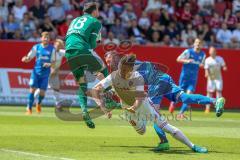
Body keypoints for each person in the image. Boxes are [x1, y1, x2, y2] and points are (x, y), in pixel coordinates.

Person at [91, 54, 208, 153]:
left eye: (127, 69)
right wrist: (103, 108)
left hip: (144, 105)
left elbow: (140, 98)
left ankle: (193, 146)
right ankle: (140, 121)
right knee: (141, 131)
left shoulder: (137, 77)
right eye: (123, 69)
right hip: (127, 108)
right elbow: (95, 90)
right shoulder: (112, 77)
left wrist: (134, 107)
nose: (124, 72)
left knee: (167, 127)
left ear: (131, 69)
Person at [65, 2, 119, 129]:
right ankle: (110, 99)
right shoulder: (95, 22)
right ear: (94, 11)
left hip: (69, 52)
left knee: (82, 83)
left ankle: (84, 111)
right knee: (103, 69)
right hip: (82, 50)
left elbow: (67, 37)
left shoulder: (74, 20)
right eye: (98, 9)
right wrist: (97, 42)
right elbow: (92, 45)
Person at [169, 38, 205, 118]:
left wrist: (202, 65)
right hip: (184, 77)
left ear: (202, 45)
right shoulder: (188, 51)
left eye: (199, 43)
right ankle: (173, 103)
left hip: (193, 78)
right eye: (196, 42)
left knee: (189, 96)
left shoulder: (203, 54)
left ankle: (181, 113)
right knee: (179, 93)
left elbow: (202, 64)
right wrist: (186, 61)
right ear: (194, 44)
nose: (198, 44)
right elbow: (178, 59)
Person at [21, 32, 55, 115]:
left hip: (45, 74)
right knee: (32, 89)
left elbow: (54, 62)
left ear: (49, 39)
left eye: (47, 38)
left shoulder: (52, 49)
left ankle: (38, 103)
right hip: (36, 72)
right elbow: (29, 57)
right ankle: (29, 108)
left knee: (42, 92)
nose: (46, 39)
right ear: (41, 38)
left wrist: (49, 64)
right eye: (44, 37)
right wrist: (25, 59)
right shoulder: (36, 47)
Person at [204, 47, 227, 113]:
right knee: (209, 92)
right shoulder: (207, 60)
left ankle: (219, 107)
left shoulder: (220, 59)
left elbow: (224, 65)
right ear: (209, 52)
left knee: (218, 91)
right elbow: (206, 69)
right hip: (211, 79)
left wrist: (224, 67)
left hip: (218, 78)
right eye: (211, 51)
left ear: (216, 52)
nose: (212, 52)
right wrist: (206, 74)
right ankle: (207, 108)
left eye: (214, 51)